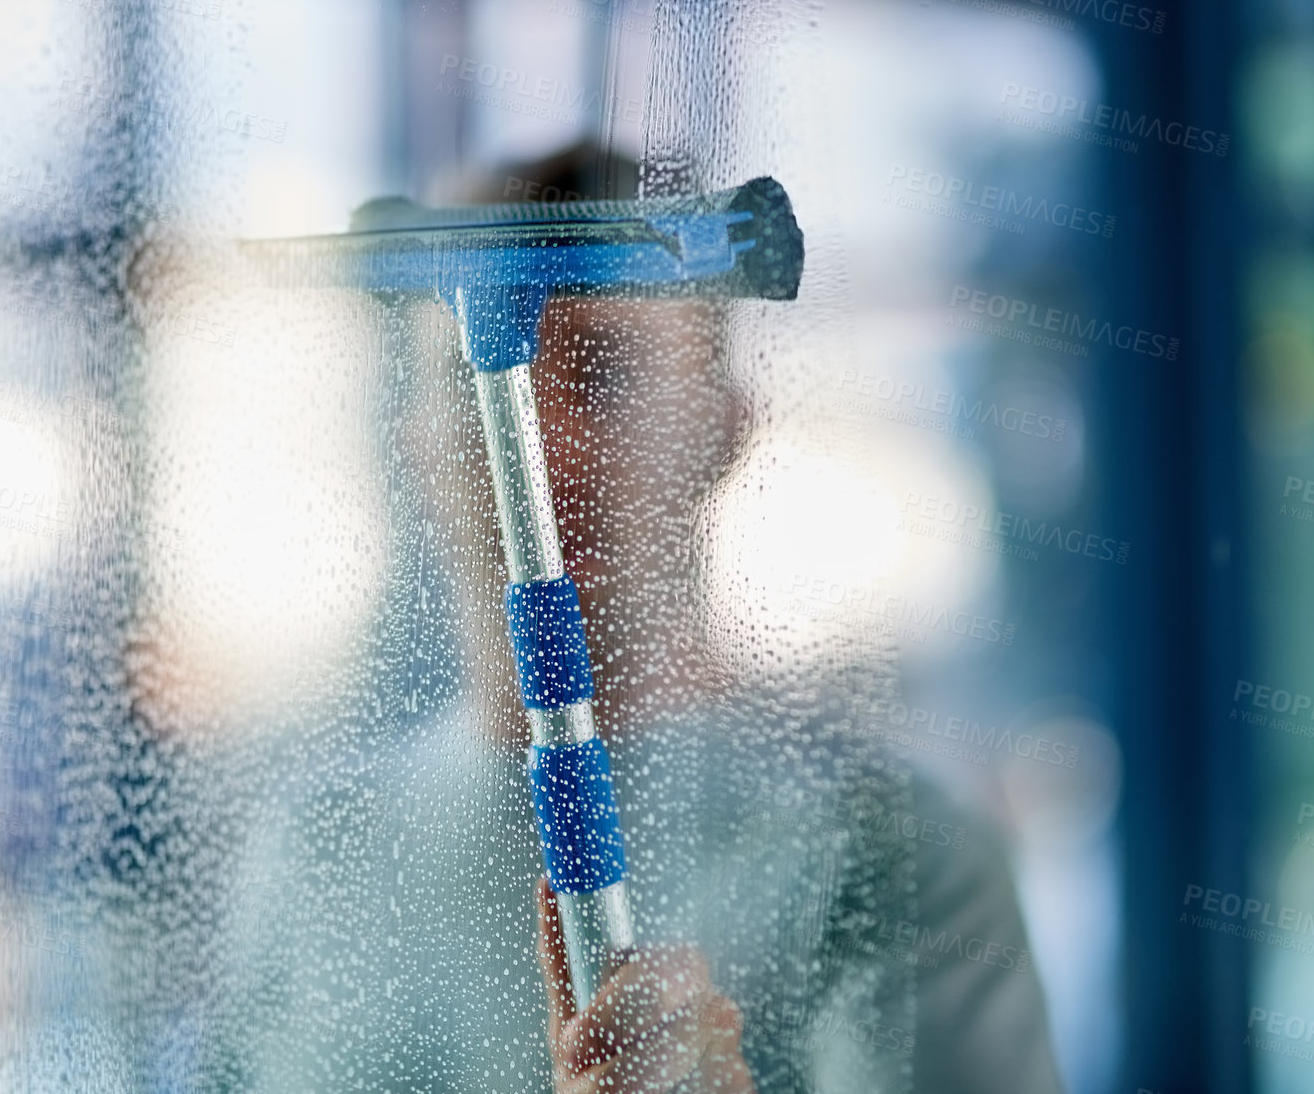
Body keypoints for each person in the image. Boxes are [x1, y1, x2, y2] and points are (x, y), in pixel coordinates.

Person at [131, 144, 1066, 1094]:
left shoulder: (897, 858)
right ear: (413, 443)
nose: (531, 447)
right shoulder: (312, 847)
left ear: (724, 426)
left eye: (603, 376)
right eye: (476, 380)